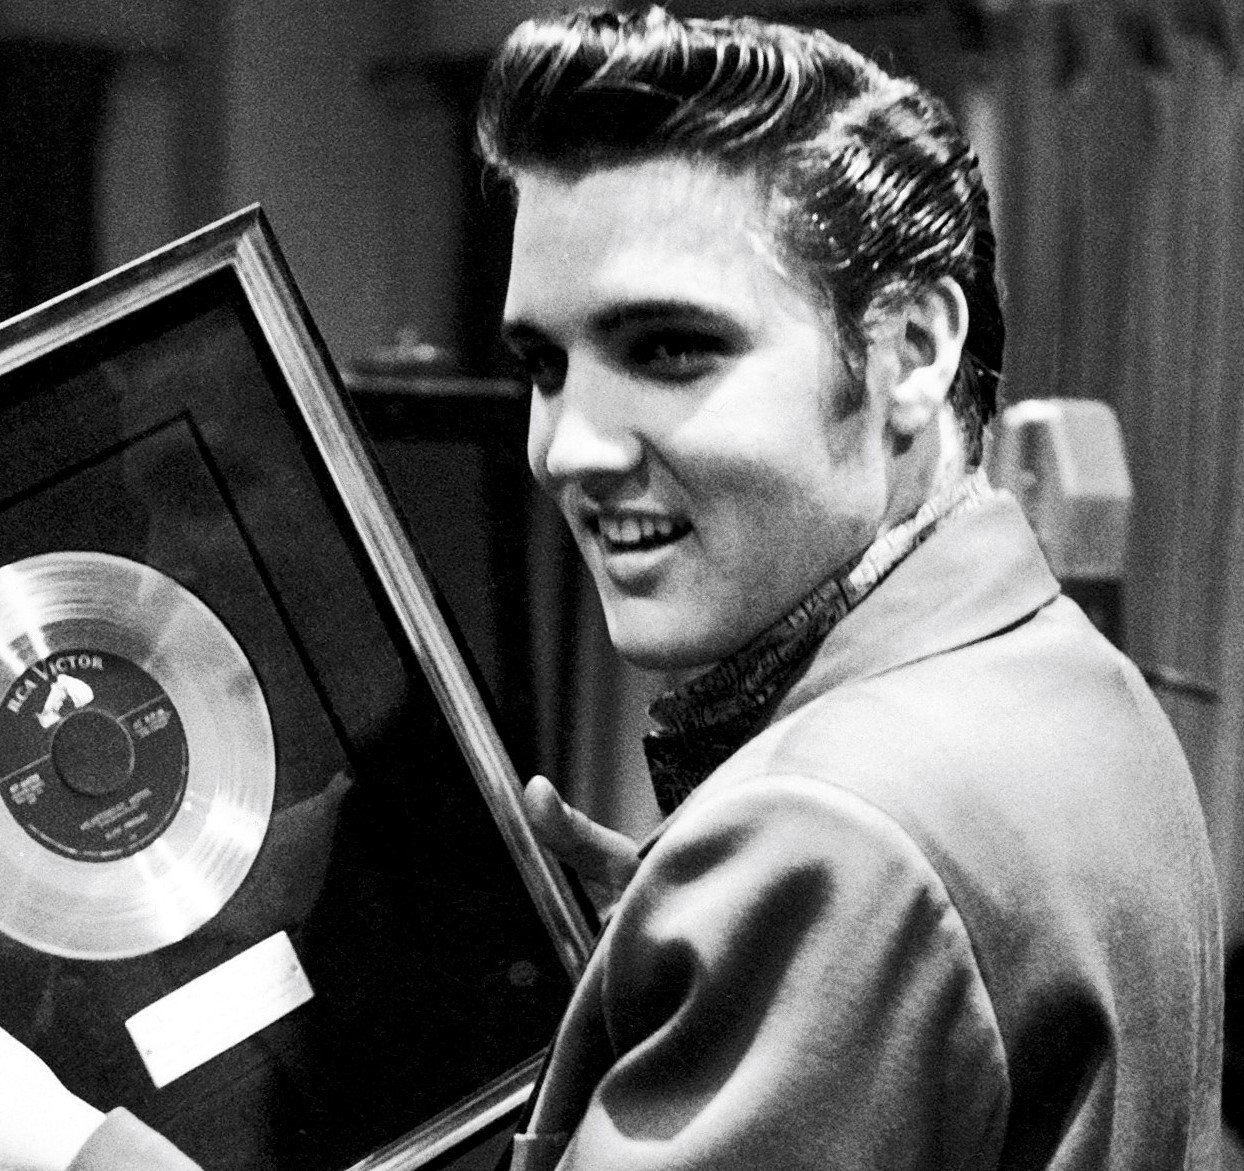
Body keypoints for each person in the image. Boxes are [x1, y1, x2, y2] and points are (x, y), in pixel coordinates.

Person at [1, 6, 1223, 1169]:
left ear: (910, 351)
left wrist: (62, 1142)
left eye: (667, 349)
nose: (566, 447)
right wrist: (687, 949)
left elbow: (875, 872)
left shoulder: (826, 841)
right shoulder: (1068, 677)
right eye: (543, 363)